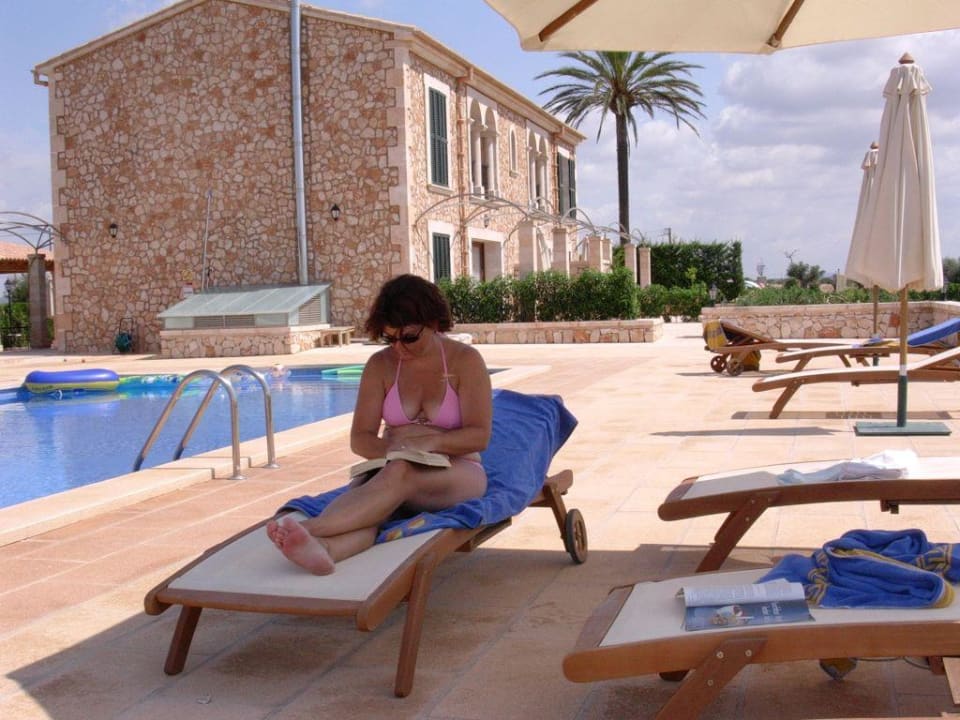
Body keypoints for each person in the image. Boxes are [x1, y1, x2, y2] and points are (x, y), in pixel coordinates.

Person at [267, 274, 492, 574]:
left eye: (409, 337)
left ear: (434, 322)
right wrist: (396, 450)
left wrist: (430, 443)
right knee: (367, 497)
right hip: (393, 465)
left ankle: (311, 529)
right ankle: (325, 550)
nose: (399, 347)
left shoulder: (464, 361)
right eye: (390, 338)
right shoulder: (381, 366)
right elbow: (360, 439)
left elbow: (479, 435)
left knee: (397, 475)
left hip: (457, 471)